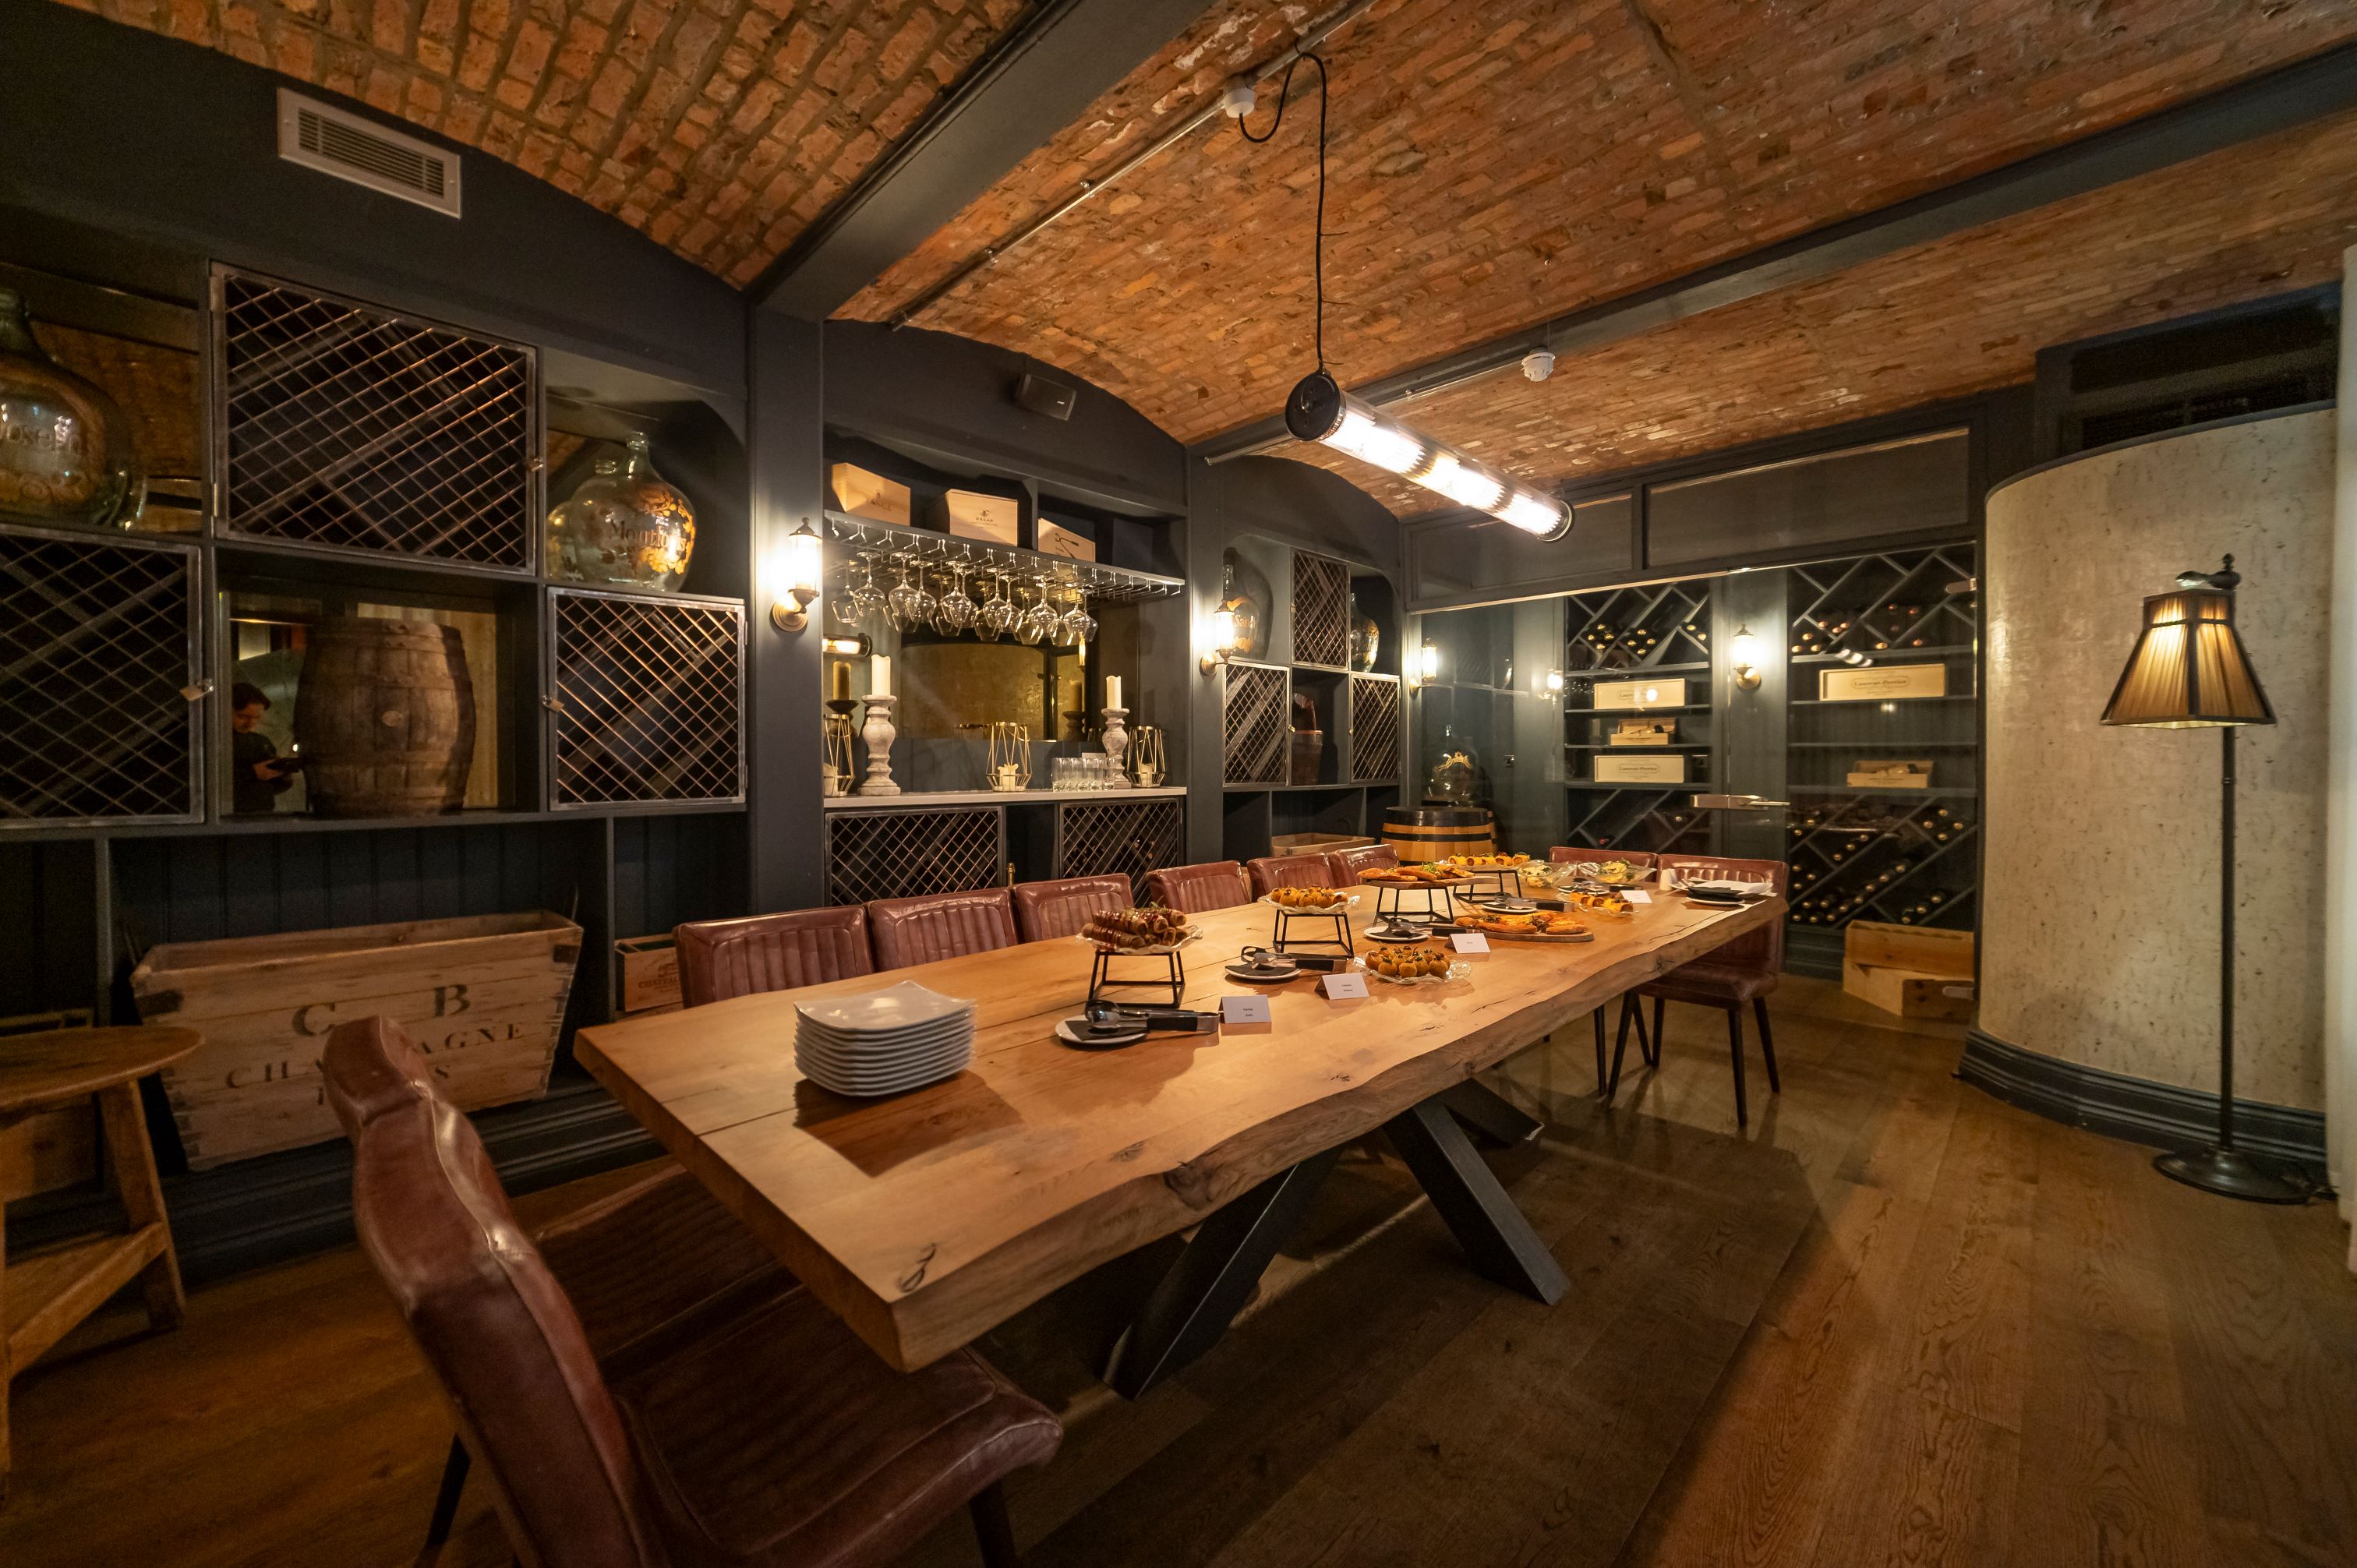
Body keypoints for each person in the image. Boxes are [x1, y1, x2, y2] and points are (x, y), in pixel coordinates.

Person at [229, 682, 296, 814]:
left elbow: (272, 787)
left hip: (262, 812)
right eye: (242, 717)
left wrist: (282, 774)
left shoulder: (261, 742)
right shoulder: (212, 740)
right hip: (229, 813)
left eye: (257, 718)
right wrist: (252, 772)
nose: (250, 724)